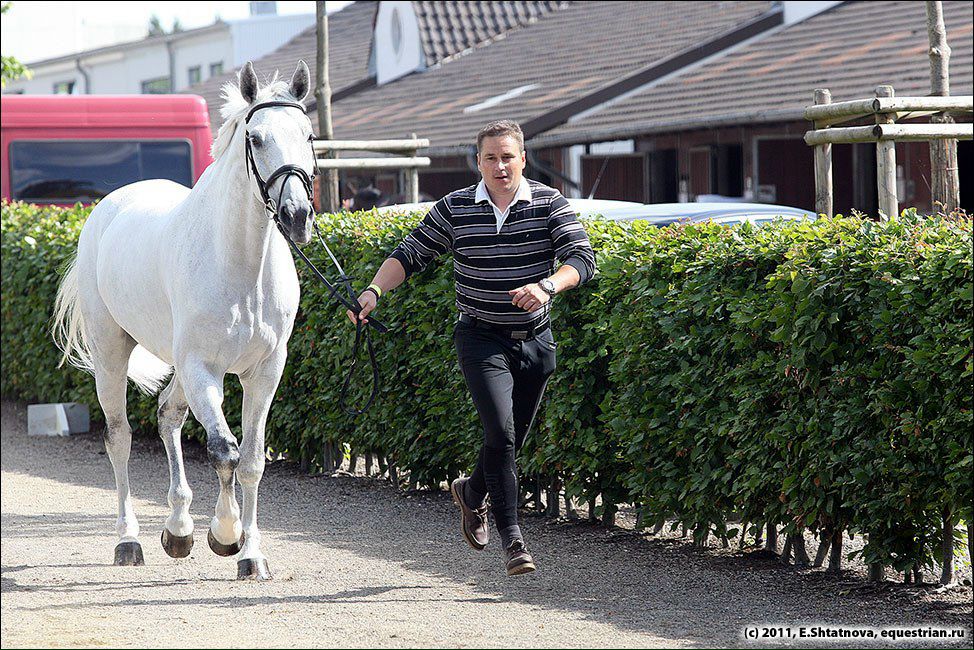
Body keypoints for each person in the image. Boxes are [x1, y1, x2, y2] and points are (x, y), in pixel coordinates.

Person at [346, 120, 595, 576]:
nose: (499, 167)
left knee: (511, 438)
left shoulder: (549, 203)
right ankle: (514, 540)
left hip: (536, 341)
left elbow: (582, 259)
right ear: (477, 163)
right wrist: (373, 293)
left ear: (522, 159)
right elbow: (409, 254)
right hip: (479, 337)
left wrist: (548, 286)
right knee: (500, 434)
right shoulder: (456, 208)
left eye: (507, 157)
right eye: (490, 158)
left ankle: (471, 491)